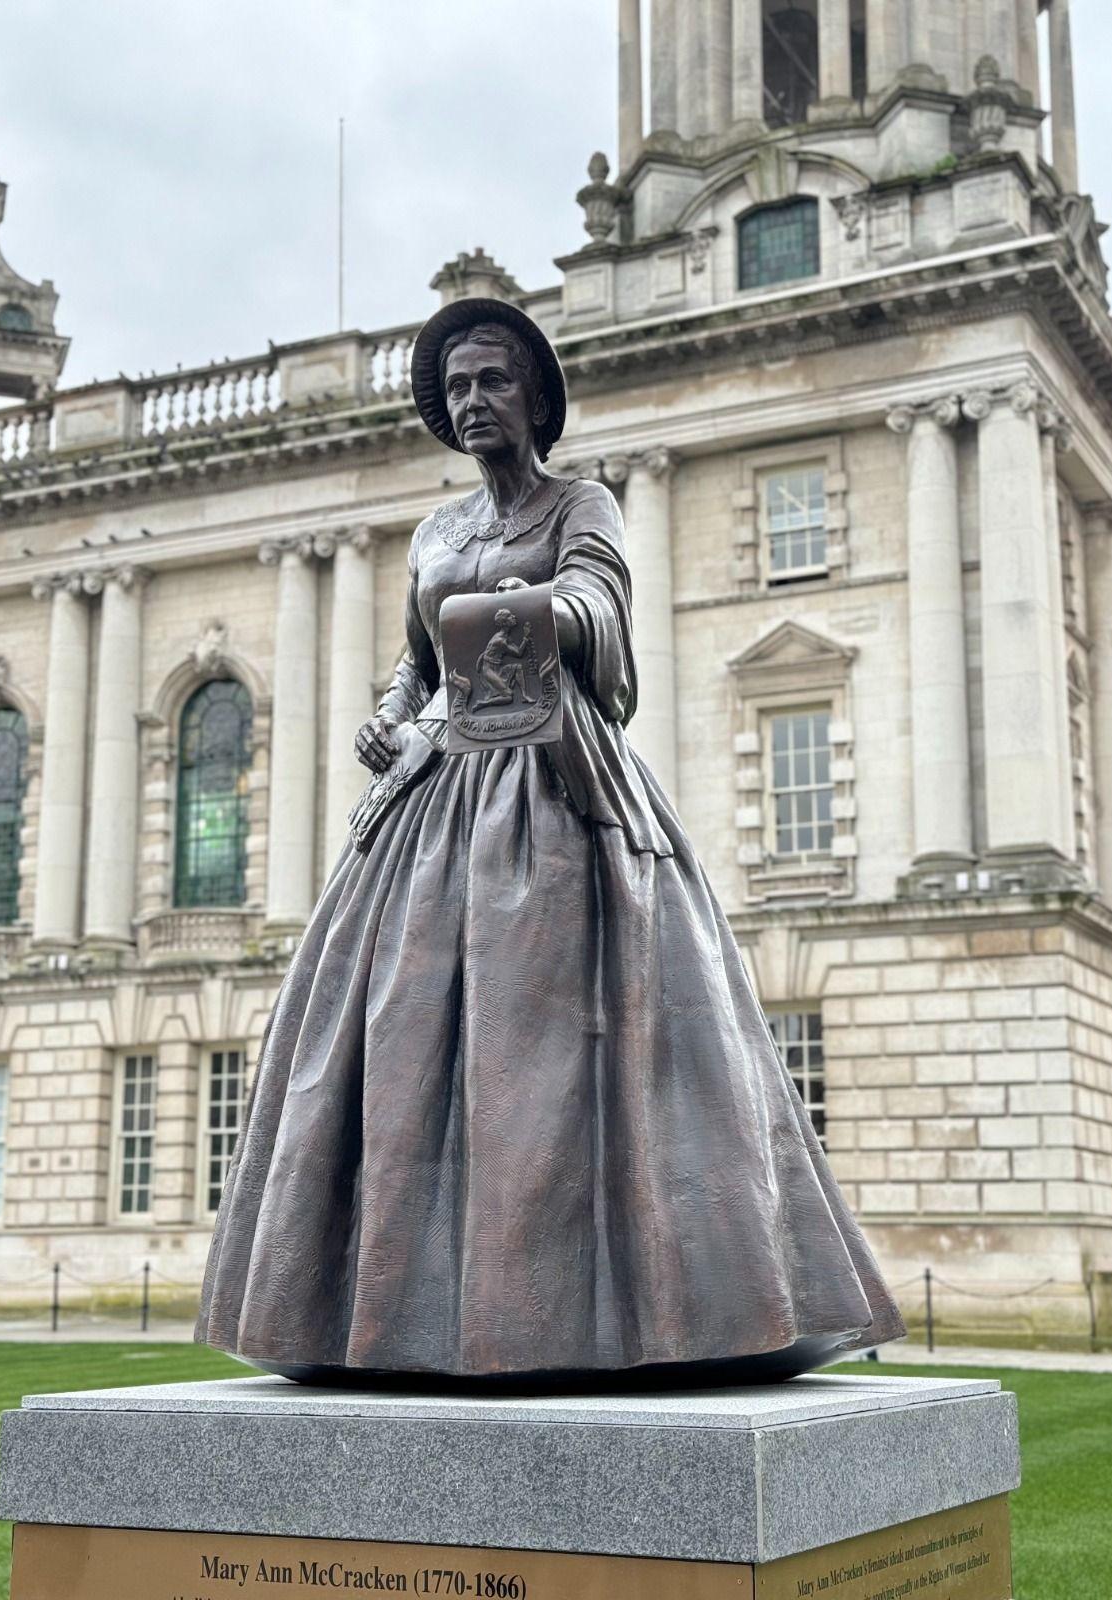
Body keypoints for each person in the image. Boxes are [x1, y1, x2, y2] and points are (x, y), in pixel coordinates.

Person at [196, 298, 905, 1384]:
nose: (475, 400)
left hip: (553, 784)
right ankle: (379, 1308)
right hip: (431, 799)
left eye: (495, 381)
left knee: (551, 1050)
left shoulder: (585, 504)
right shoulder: (436, 533)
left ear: (534, 396)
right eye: (460, 386)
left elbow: (601, 613)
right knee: (389, 1033)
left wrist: (538, 610)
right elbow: (418, 666)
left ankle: (626, 1306)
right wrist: (388, 718)